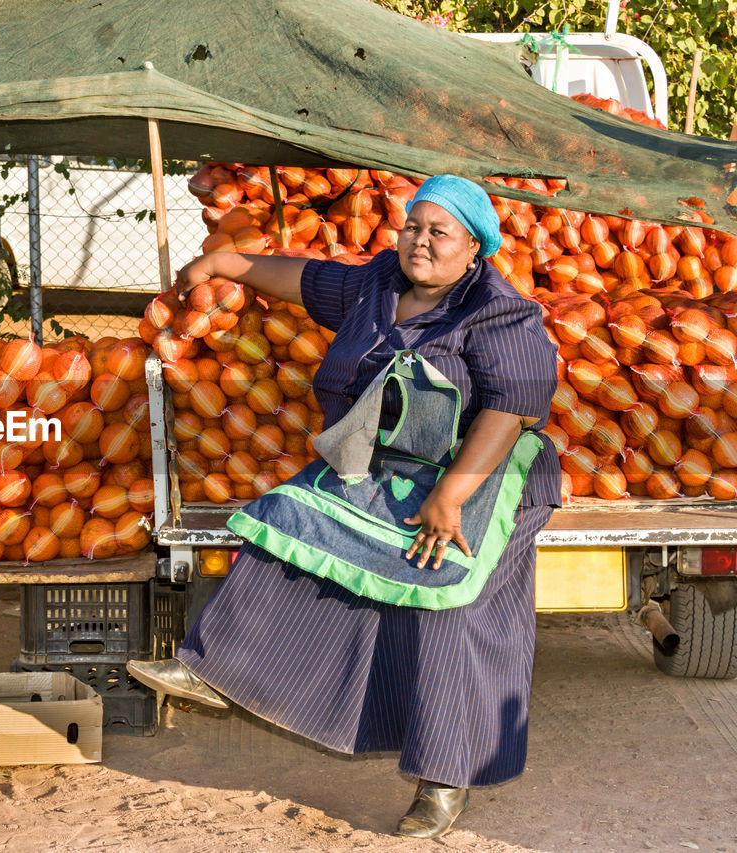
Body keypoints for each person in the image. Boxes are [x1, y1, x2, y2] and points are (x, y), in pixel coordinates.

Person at [128, 174, 560, 840]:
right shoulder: (380, 285)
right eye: (414, 225)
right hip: (395, 465)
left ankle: (445, 779)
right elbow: (306, 278)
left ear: (473, 246)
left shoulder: (498, 310)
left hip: (484, 471)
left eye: (438, 232)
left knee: (446, 594)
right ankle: (213, 670)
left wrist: (451, 496)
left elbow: (514, 405)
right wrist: (228, 262)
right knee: (291, 517)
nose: (420, 241)